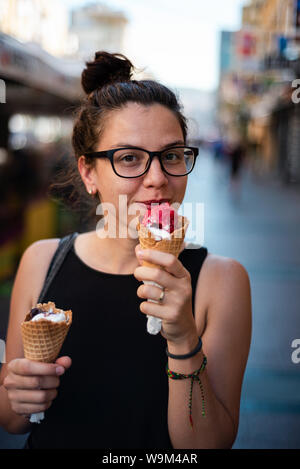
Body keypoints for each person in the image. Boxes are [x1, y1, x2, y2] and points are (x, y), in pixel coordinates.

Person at [0, 52, 252, 449]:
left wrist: (184, 338)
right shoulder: (41, 262)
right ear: (88, 173)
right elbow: (12, 421)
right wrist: (19, 397)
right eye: (130, 158)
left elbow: (207, 445)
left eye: (171, 155)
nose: (157, 179)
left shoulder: (222, 280)